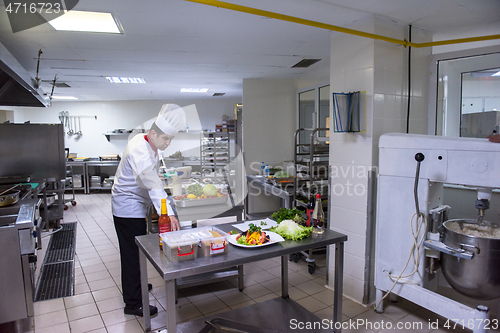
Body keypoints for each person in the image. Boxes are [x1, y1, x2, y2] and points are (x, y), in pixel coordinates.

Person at [111, 104, 186, 317]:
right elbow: (153, 184)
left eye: (170, 139)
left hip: (136, 206)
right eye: (165, 139)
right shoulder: (138, 148)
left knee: (138, 251)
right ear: (153, 133)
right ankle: (133, 303)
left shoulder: (150, 145)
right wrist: (169, 212)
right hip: (127, 208)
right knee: (131, 254)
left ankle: (138, 286)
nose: (168, 143)